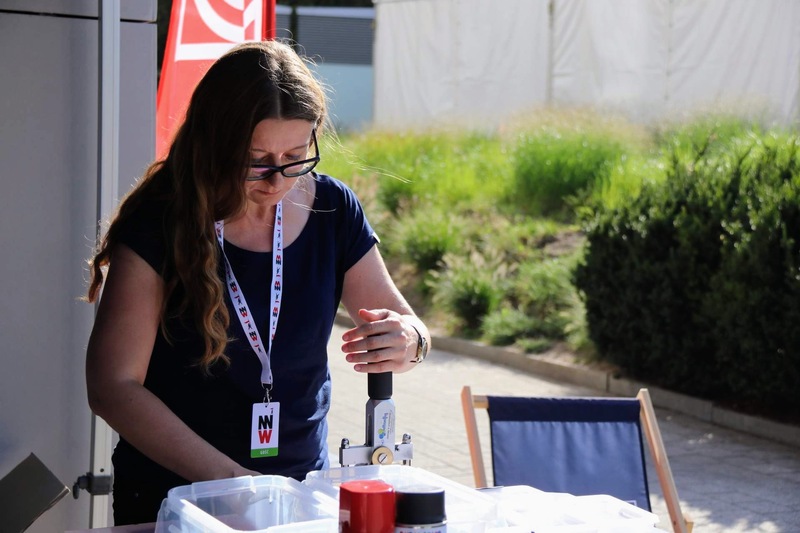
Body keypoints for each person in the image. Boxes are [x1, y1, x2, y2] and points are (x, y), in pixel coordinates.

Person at [84, 39, 431, 525]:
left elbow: (407, 324)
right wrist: (232, 483)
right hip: (175, 500)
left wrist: (410, 341)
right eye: (257, 160)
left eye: (295, 155)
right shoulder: (160, 222)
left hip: (296, 496)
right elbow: (112, 386)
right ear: (214, 144)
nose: (277, 180)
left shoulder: (333, 209)